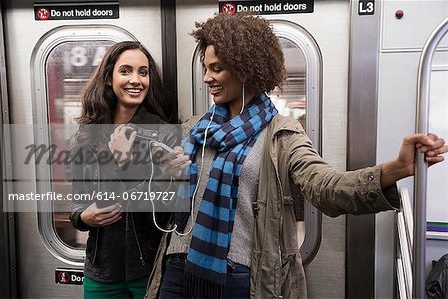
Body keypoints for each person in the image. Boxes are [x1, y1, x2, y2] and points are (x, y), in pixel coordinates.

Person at [145, 12, 448, 299]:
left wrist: (396, 169)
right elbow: (167, 198)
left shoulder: (281, 135)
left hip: (237, 275)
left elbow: (327, 188)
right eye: (206, 69)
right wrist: (165, 175)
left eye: (217, 68)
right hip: (176, 266)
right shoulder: (196, 128)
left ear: (246, 68)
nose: (207, 78)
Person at [69, 41, 178, 299]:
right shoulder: (87, 135)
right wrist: (83, 218)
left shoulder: (164, 133)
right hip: (102, 270)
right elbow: (78, 202)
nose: (136, 80)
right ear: (109, 78)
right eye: (126, 71)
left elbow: (166, 208)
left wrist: (124, 163)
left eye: (143, 72)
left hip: (149, 268)